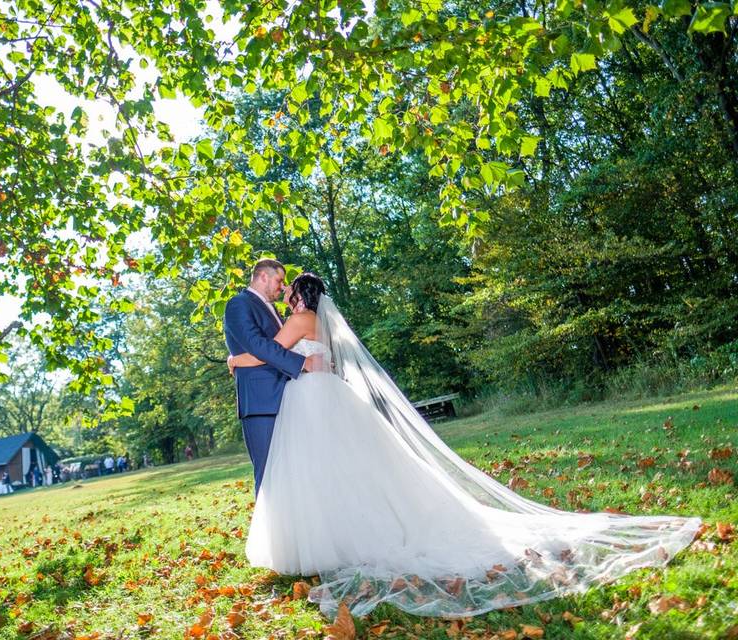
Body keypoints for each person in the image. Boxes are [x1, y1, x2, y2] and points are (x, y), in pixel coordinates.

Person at [226, 272, 702, 620]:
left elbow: (270, 352)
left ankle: (327, 537)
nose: (283, 293)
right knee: (344, 472)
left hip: (311, 402)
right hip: (325, 398)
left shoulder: (301, 319)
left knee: (320, 473)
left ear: (299, 296)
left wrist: (233, 358)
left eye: (288, 289)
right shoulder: (321, 321)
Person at [223, 259, 313, 496]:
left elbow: (277, 347)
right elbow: (258, 345)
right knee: (267, 474)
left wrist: (235, 360)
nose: (282, 287)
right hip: (261, 402)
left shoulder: (271, 309)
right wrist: (303, 362)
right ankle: (268, 532)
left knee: (289, 471)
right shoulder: (239, 304)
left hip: (285, 396)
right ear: (263, 276)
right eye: (279, 280)